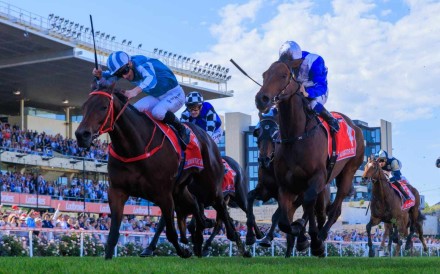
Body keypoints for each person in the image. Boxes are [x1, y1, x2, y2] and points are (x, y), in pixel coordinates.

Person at [93, 51, 190, 148]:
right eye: (120, 74)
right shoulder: (124, 66)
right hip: (157, 97)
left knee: (158, 112)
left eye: (125, 71)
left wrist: (133, 92)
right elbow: (106, 81)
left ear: (130, 63)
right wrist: (99, 76)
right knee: (134, 110)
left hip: (175, 94)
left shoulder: (141, 63)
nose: (124, 76)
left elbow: (151, 79)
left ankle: (182, 128)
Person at [278, 41, 339, 132]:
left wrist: (307, 93)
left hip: (316, 92)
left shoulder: (315, 61)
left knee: (311, 104)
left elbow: (321, 87)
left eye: (290, 64)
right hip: (297, 90)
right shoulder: (287, 63)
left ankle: (331, 119)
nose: (288, 68)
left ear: (297, 60)